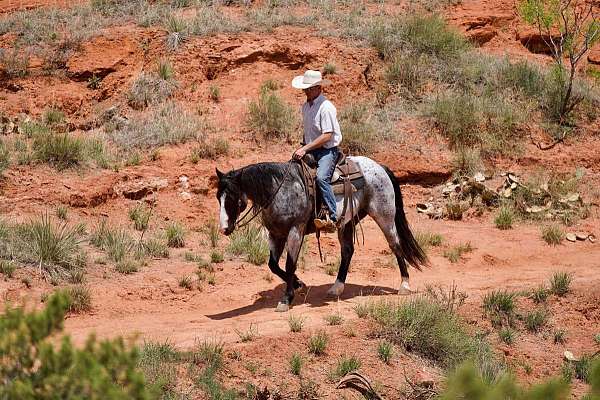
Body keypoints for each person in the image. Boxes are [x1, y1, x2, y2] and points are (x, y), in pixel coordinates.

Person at [291, 70, 342, 233]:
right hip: (311, 149)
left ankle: (332, 216)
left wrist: (304, 149)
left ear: (318, 88)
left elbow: (327, 136)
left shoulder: (326, 107)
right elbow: (309, 131)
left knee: (321, 179)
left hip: (327, 151)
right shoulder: (306, 106)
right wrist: (304, 146)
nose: (305, 91)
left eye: (309, 88)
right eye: (305, 88)